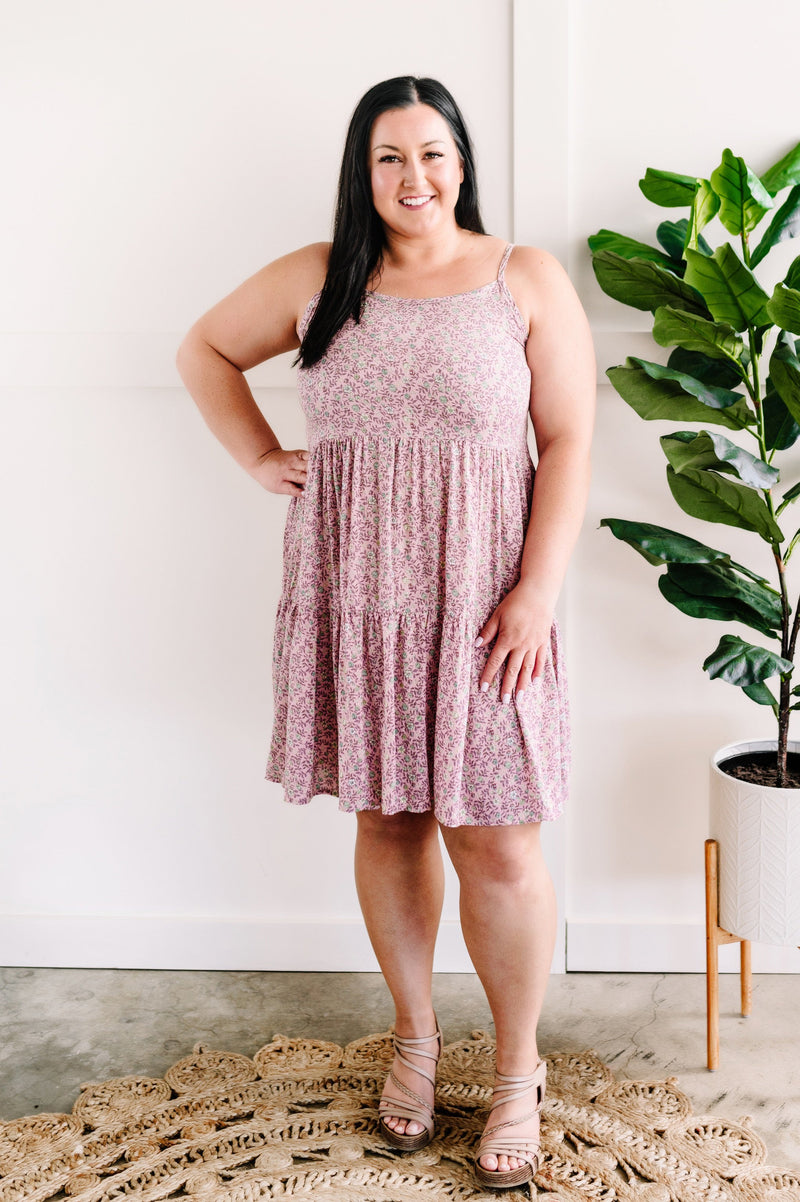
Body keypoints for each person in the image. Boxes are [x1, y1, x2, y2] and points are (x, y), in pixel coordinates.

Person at [176, 75, 595, 1191]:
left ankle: (515, 1070)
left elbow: (567, 446)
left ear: (462, 158)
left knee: (498, 839)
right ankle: (414, 1038)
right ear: (362, 173)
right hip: (356, 593)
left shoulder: (523, 279)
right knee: (391, 821)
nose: (415, 178)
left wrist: (537, 591)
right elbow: (203, 352)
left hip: (487, 602)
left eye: (433, 153)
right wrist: (261, 454)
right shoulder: (318, 277)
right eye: (389, 159)